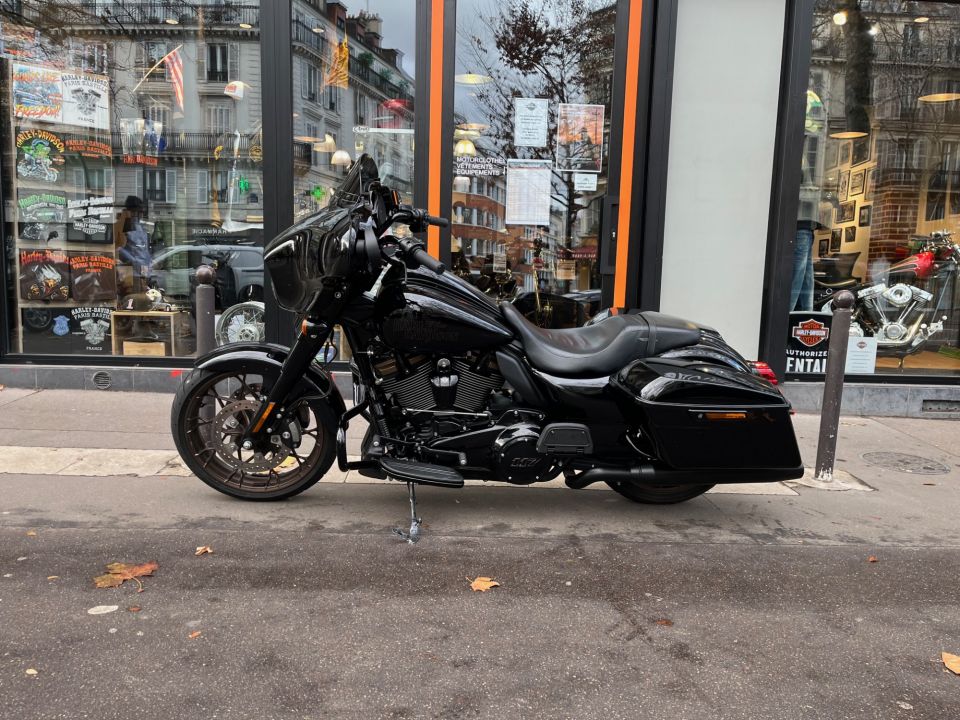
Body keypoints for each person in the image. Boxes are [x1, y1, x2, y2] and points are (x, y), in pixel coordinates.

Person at [114, 195, 151, 293]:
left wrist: (148, 266)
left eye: (140, 212)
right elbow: (118, 248)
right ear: (129, 211)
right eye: (136, 212)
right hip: (129, 274)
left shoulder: (140, 228)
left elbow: (143, 251)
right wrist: (133, 261)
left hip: (140, 273)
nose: (138, 215)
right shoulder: (123, 225)